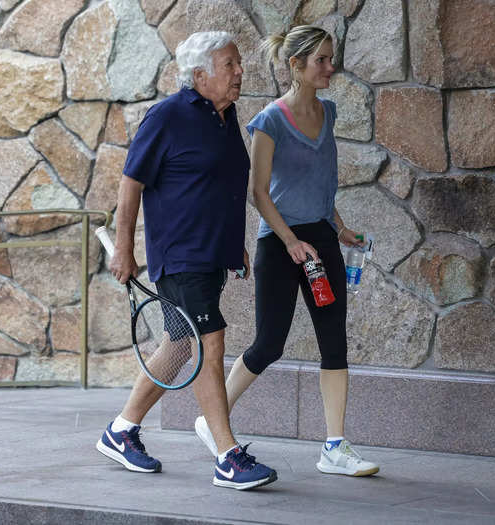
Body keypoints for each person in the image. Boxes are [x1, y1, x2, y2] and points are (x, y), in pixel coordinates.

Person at [194, 25, 379, 477]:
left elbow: (317, 183)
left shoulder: (329, 113)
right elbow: (258, 192)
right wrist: (291, 241)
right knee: (268, 344)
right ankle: (211, 419)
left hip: (323, 240)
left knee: (334, 342)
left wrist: (340, 227)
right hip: (278, 243)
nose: (330, 67)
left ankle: (335, 447)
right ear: (296, 65)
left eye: (331, 59)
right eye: (321, 60)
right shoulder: (270, 121)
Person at [95, 31, 277, 491]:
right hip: (180, 254)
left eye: (238, 63)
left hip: (211, 253)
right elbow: (131, 182)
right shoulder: (167, 116)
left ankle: (121, 431)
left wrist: (232, 242)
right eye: (230, 65)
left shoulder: (224, 115)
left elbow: (224, 183)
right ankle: (227, 456)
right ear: (199, 75)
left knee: (179, 345)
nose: (240, 72)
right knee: (209, 342)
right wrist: (123, 248)